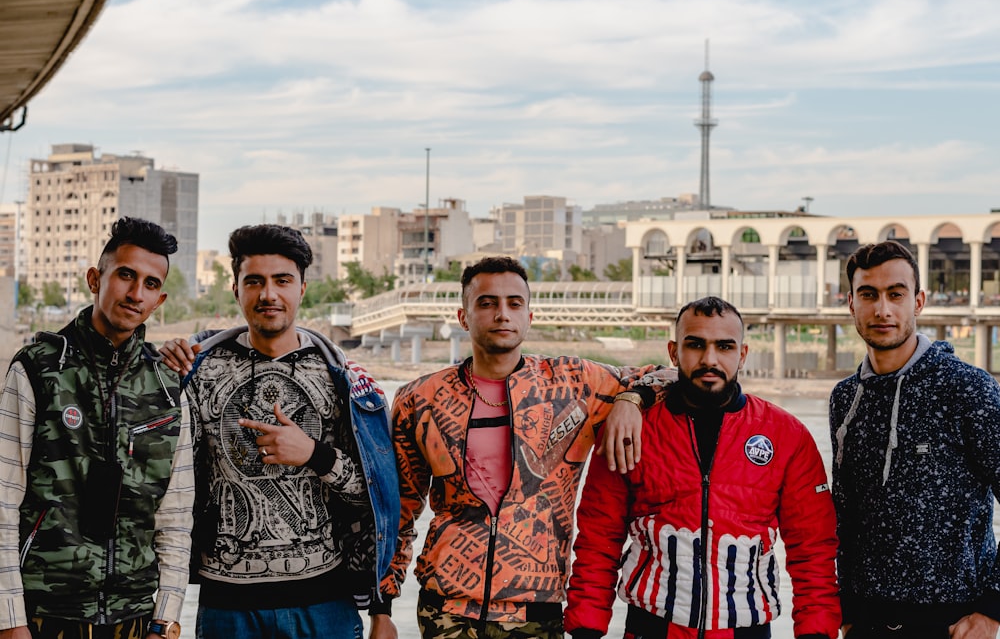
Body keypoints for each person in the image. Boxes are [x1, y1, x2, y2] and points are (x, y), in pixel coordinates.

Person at [369, 255, 676, 639]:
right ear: (463, 317)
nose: (502, 314)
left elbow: (675, 374)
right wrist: (382, 608)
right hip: (444, 606)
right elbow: (398, 511)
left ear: (530, 316)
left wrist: (631, 401)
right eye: (487, 303)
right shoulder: (420, 398)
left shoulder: (575, 384)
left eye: (514, 304)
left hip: (535, 607)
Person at [159, 224, 399, 639]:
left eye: (282, 280)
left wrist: (314, 455)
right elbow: (170, 491)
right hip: (226, 606)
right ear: (236, 289)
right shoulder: (195, 372)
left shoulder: (341, 377)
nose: (268, 294)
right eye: (255, 281)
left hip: (325, 604)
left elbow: (377, 497)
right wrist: (163, 371)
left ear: (302, 288)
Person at [565, 296, 841, 639]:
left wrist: (816, 633)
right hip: (651, 628)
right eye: (695, 345)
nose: (710, 359)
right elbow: (597, 541)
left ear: (742, 354)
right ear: (673, 351)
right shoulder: (630, 430)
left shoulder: (786, 434)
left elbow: (812, 550)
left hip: (746, 631)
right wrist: (585, 629)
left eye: (724, 346)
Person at [0, 217, 193, 639]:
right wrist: (9, 618)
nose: (135, 293)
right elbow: (3, 499)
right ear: (95, 278)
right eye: (125, 275)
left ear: (159, 300)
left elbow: (175, 516)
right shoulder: (39, 368)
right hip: (45, 612)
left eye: (150, 283)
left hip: (136, 617)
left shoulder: (168, 385)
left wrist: (168, 614)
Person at [830, 240, 1000, 639]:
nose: (882, 309)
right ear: (851, 303)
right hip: (865, 621)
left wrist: (993, 610)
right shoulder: (845, 398)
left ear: (918, 301)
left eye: (896, 294)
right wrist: (848, 608)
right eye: (868, 295)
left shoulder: (968, 388)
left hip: (952, 622)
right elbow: (847, 509)